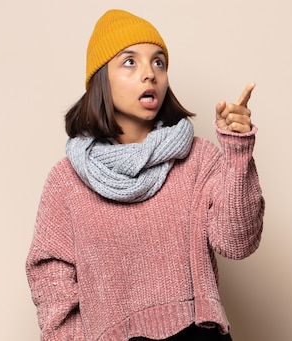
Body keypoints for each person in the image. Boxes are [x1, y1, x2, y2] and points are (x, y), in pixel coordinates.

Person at [25, 9, 265, 341]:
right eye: (129, 62)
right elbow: (50, 281)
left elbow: (237, 242)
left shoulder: (198, 158)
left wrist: (237, 151)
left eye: (158, 62)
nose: (149, 74)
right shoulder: (66, 182)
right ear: (101, 79)